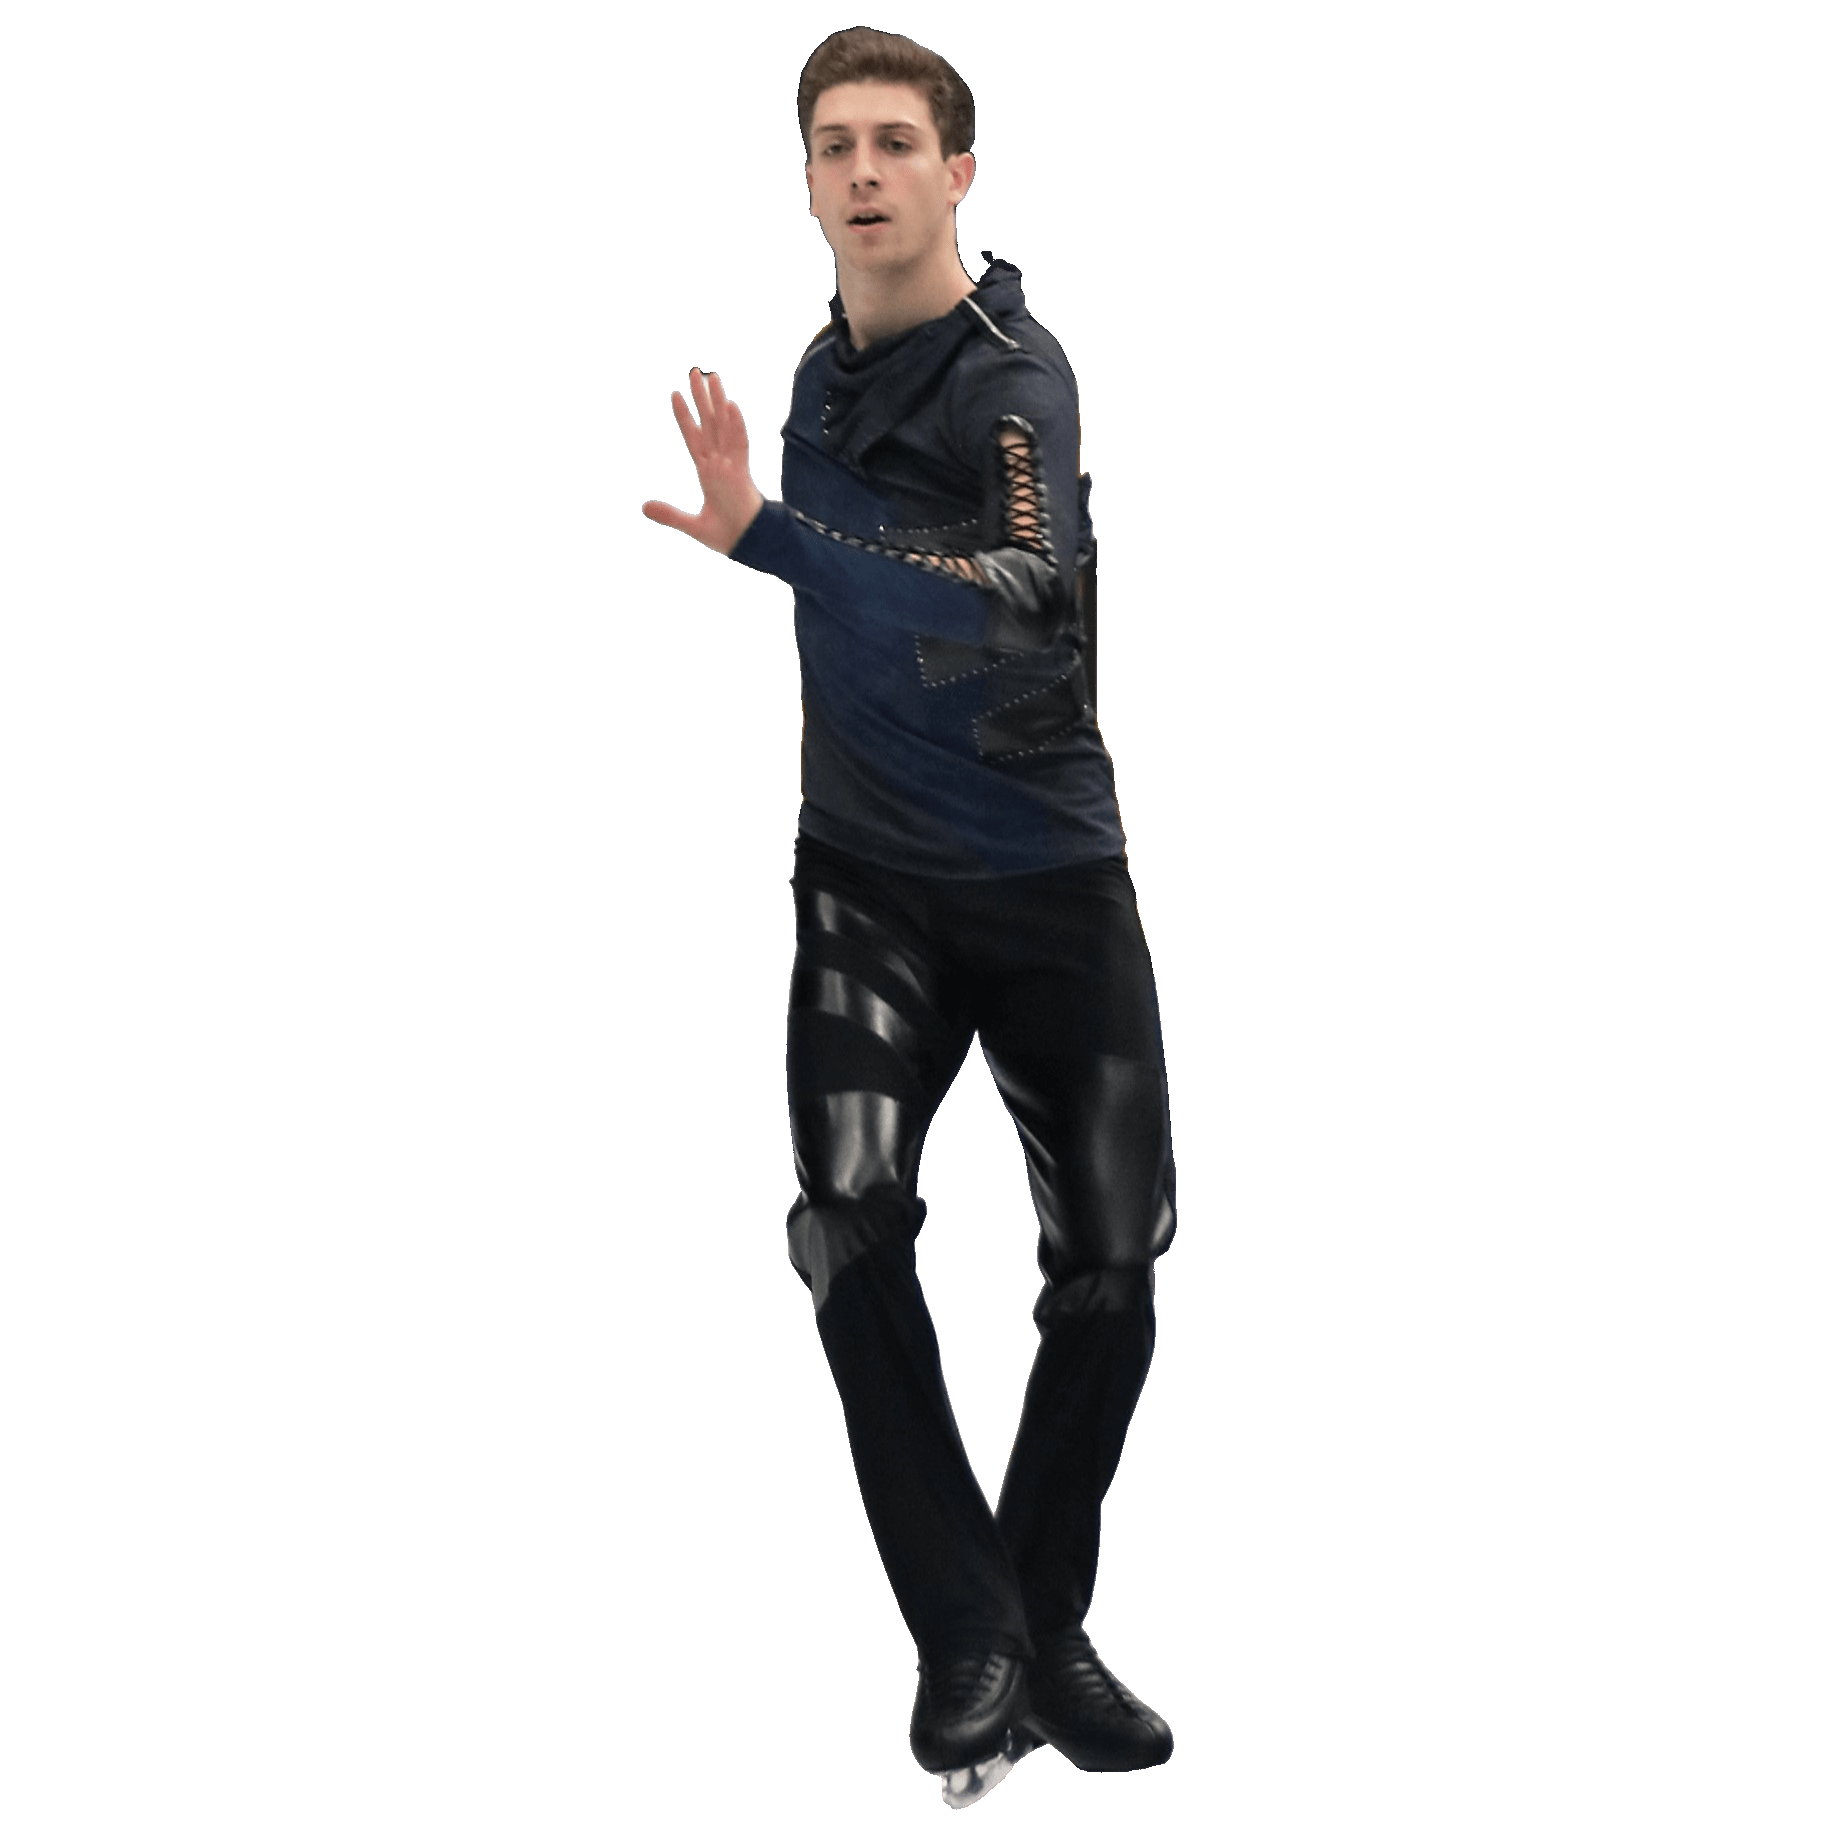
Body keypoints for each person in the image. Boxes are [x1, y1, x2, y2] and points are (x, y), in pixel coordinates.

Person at [641, 28, 1178, 1804]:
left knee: (1114, 1256)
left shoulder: (1018, 383)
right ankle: (974, 1637)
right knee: (848, 1215)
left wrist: (772, 542)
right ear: (807, 184)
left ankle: (1042, 1614)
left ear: (957, 174)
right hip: (866, 881)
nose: (861, 170)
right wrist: (785, 535)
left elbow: (1026, 598)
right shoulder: (816, 382)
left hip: (1050, 882)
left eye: (893, 142)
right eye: (832, 145)